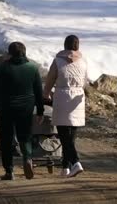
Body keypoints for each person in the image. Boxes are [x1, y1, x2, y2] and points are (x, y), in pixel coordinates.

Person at [0, 42, 44, 181]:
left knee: (6, 140)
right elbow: (38, 92)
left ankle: (9, 171)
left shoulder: (4, 67)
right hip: (26, 108)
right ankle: (28, 158)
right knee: (25, 136)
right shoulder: (33, 68)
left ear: (10, 53)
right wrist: (40, 111)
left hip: (6, 108)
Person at [43, 35, 88, 178]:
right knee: (71, 135)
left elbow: (50, 80)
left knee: (64, 136)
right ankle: (65, 168)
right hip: (77, 99)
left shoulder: (58, 61)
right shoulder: (83, 61)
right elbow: (85, 82)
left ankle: (76, 162)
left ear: (65, 45)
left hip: (62, 97)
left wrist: (45, 95)